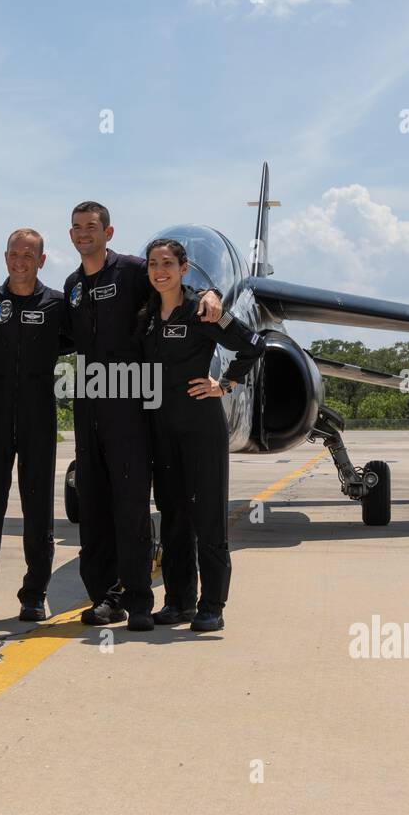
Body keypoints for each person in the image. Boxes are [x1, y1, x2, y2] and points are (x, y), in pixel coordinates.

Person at [62, 202, 223, 631]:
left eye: (91, 227)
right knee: (93, 505)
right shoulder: (72, 284)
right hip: (89, 399)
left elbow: (175, 291)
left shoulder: (134, 271)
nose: (83, 234)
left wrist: (213, 294)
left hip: (131, 401)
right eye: (76, 227)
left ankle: (137, 600)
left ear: (108, 232)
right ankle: (105, 597)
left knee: (131, 506)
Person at [137, 238, 264, 631]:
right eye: (154, 264)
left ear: (184, 268)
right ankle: (178, 601)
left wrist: (225, 384)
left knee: (207, 516)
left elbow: (253, 345)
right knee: (173, 515)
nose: (160, 271)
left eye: (168, 264)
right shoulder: (144, 314)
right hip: (161, 427)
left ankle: (213, 604)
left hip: (200, 427)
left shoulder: (202, 310)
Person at [0, 228, 71, 622]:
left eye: (29, 255)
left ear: (42, 261)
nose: (20, 261)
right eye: (14, 254)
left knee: (37, 507)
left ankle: (34, 594)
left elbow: (89, 337)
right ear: (5, 257)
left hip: (39, 416)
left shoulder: (58, 304)